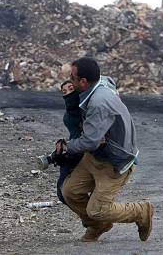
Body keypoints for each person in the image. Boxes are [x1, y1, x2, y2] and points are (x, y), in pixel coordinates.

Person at [57, 57, 153, 242]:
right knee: (69, 192)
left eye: (73, 78)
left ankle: (141, 212)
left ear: (83, 82)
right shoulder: (101, 83)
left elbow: (89, 142)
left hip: (115, 161)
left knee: (97, 210)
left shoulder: (99, 103)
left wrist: (68, 146)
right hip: (95, 157)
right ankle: (99, 224)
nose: (70, 80)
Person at [54, 80, 84, 205]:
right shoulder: (68, 117)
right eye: (64, 92)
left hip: (91, 151)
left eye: (71, 89)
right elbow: (75, 135)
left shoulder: (88, 109)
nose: (68, 94)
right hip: (76, 150)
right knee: (62, 192)